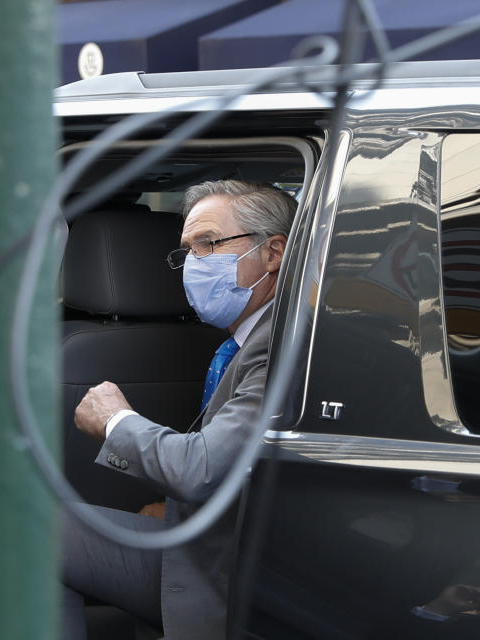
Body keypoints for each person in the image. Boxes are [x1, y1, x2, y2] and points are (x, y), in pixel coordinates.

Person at [61, 179, 297, 640]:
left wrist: (115, 420)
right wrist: (175, 512)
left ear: (273, 254)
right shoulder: (245, 338)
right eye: (187, 250)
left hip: (232, 573)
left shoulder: (283, 344)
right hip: (219, 542)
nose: (193, 264)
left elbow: (202, 469)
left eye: (208, 244)